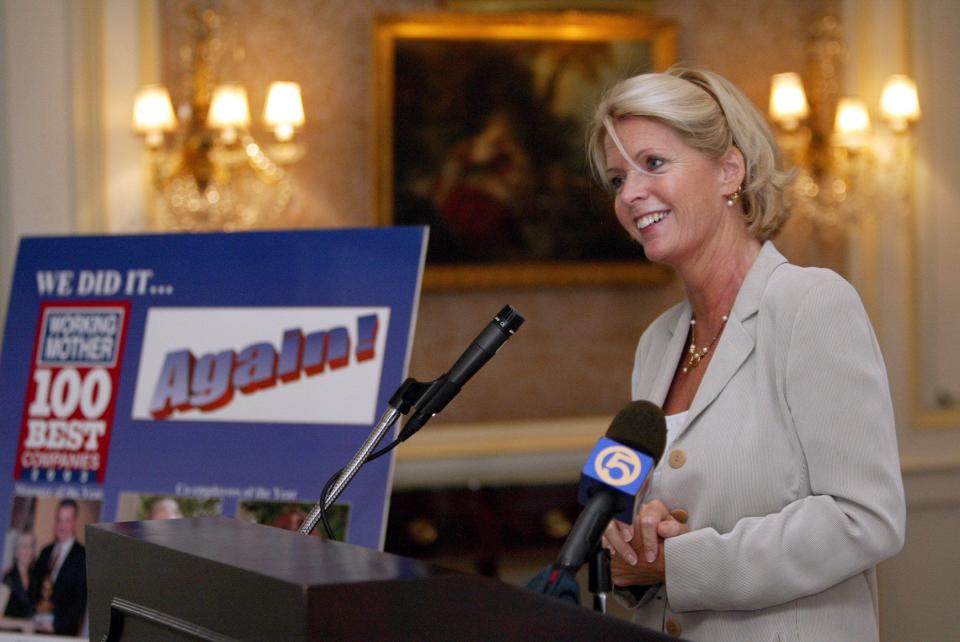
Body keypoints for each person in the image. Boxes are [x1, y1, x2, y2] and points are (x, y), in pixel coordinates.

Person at [587, 67, 905, 641]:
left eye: (653, 164)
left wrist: (681, 564)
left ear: (728, 170)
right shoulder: (656, 343)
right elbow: (655, 519)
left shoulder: (812, 306)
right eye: (616, 180)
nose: (630, 194)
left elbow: (865, 519)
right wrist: (635, 540)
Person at [31, 499, 86, 635]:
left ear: (74, 523)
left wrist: (56, 626)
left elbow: (80, 601)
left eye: (67, 520)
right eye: (59, 520)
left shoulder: (83, 556)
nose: (62, 526)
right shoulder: (45, 552)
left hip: (62, 634)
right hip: (36, 630)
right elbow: (34, 587)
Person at [0, 531, 37, 633]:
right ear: (16, 551)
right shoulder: (9, 578)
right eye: (24, 546)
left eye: (31, 546)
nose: (28, 550)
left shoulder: (34, 578)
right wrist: (21, 623)